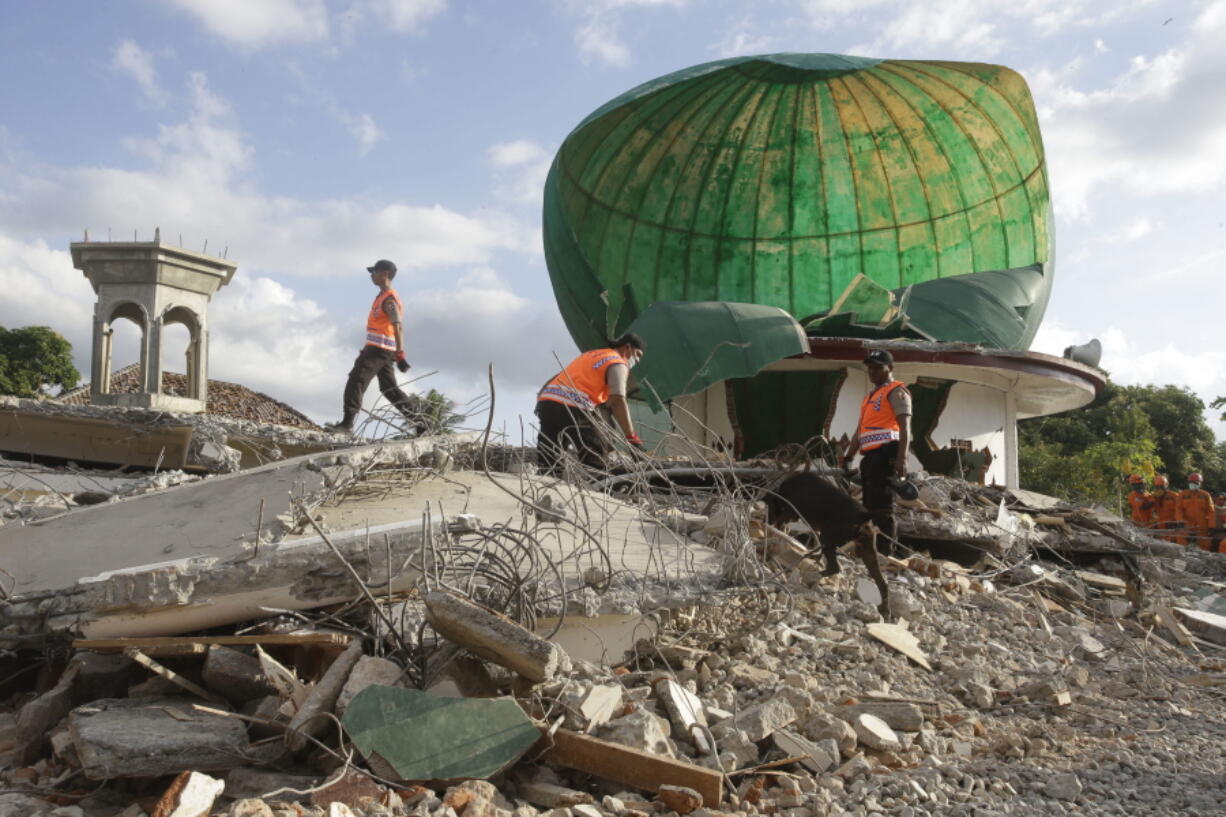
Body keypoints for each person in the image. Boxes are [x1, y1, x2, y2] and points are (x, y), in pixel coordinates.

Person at [327, 259, 417, 434]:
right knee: (389, 389)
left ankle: (347, 424)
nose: (371, 276)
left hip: (380, 349)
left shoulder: (389, 298)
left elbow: (398, 324)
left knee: (356, 380)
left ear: (384, 274)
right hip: (380, 349)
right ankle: (421, 423)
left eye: (374, 272)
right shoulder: (382, 297)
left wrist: (400, 354)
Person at [535, 334, 646, 473]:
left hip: (548, 402)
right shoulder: (618, 362)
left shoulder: (590, 355)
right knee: (595, 456)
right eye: (637, 355)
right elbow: (617, 400)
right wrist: (632, 438)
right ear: (627, 347)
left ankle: (547, 484)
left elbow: (560, 375)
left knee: (549, 457)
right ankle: (600, 488)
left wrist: (541, 397)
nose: (637, 360)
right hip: (574, 406)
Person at [839, 349, 912, 555]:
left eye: (878, 367)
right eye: (870, 367)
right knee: (869, 507)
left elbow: (905, 427)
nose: (873, 371)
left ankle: (885, 552)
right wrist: (848, 457)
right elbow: (860, 431)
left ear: (890, 368)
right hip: (870, 458)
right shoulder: (870, 397)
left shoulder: (896, 392)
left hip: (887, 455)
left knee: (883, 509)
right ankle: (869, 550)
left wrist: (902, 459)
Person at [1177, 472, 1216, 550]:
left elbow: (1211, 511)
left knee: (1203, 547)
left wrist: (1211, 526)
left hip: (1201, 526)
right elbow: (1178, 509)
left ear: (1200, 483)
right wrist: (1180, 521)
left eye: (1195, 482)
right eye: (1191, 482)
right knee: (1183, 546)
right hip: (1186, 525)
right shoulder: (1183, 495)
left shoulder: (1205, 495)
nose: (1192, 484)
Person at [1149, 475, 1179, 543]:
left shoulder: (1174, 496)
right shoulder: (1154, 497)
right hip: (1160, 527)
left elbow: (1180, 511)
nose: (1159, 489)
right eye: (1157, 487)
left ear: (1166, 485)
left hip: (1171, 526)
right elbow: (1152, 512)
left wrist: (1175, 522)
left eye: (1161, 486)